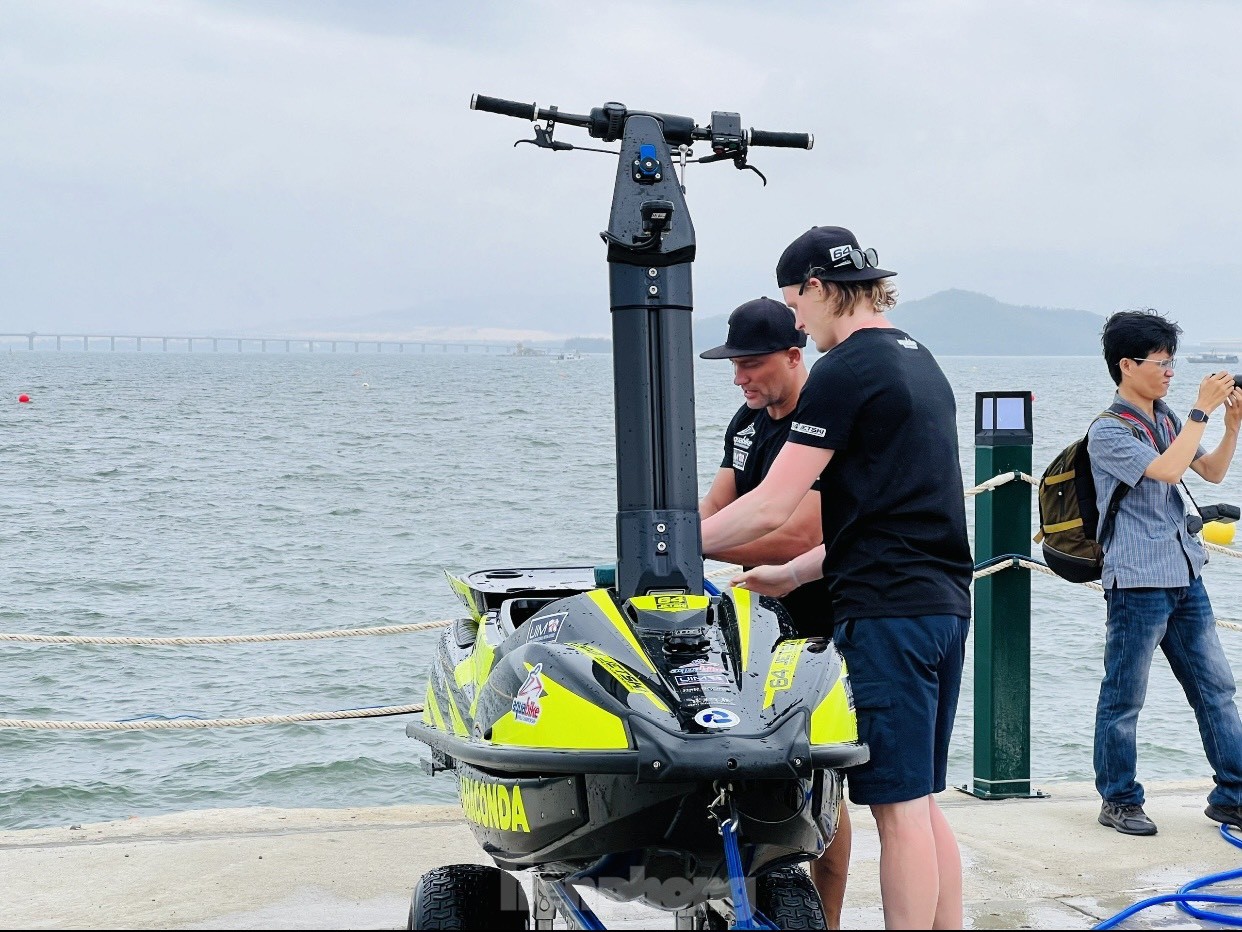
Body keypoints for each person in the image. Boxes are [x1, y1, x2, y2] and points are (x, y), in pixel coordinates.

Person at [700, 225, 973, 930]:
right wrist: (793, 572)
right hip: (942, 603)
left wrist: (674, 545)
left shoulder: (844, 371)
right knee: (920, 799)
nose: (795, 319)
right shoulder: (920, 358)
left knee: (896, 810)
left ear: (817, 289)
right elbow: (890, 515)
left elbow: (773, 502)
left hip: (887, 613)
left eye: (794, 302)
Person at [697, 296, 852, 928]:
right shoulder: (744, 422)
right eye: (734, 365)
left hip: (829, 618)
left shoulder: (825, 419)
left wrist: (694, 544)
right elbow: (714, 509)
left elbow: (800, 533)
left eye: (752, 364)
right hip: (759, 627)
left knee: (825, 787)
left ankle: (829, 921)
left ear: (795, 356)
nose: (741, 377)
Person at [1088, 309, 1242, 836]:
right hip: (1136, 581)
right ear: (1127, 365)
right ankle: (1119, 799)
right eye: (1162, 362)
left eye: (1173, 363)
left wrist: (1231, 425)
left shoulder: (1169, 419)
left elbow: (1212, 473)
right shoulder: (1108, 432)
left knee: (1216, 688)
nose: (1170, 372)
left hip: (1184, 573)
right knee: (1125, 696)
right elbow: (1167, 471)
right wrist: (1201, 408)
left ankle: (1233, 795)